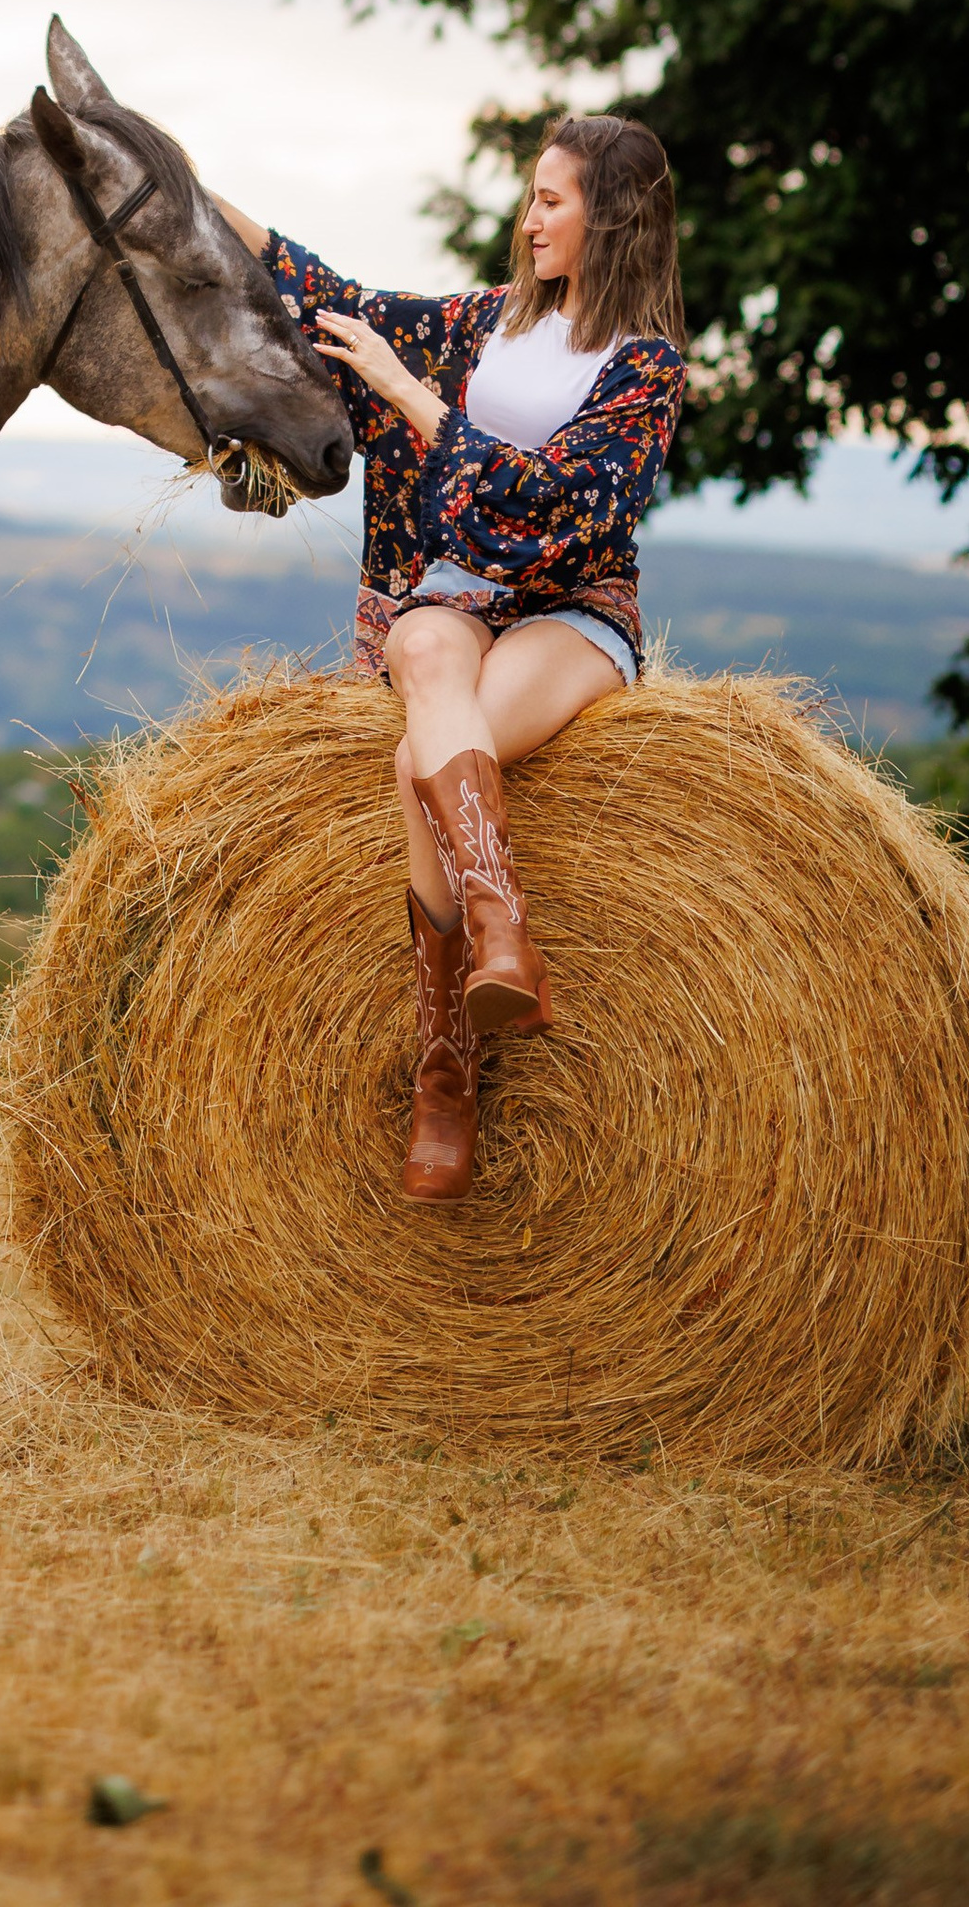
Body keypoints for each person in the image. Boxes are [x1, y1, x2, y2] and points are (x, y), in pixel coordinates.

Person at [215, 119, 687, 1206]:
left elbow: (560, 505)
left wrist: (412, 397)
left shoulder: (645, 370)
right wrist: (190, 186)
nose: (530, 218)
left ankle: (447, 1073)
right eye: (532, 196)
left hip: (572, 606)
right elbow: (324, 294)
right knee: (421, 641)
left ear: (611, 217)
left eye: (552, 200)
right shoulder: (488, 324)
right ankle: (498, 929)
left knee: (410, 767)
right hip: (462, 597)